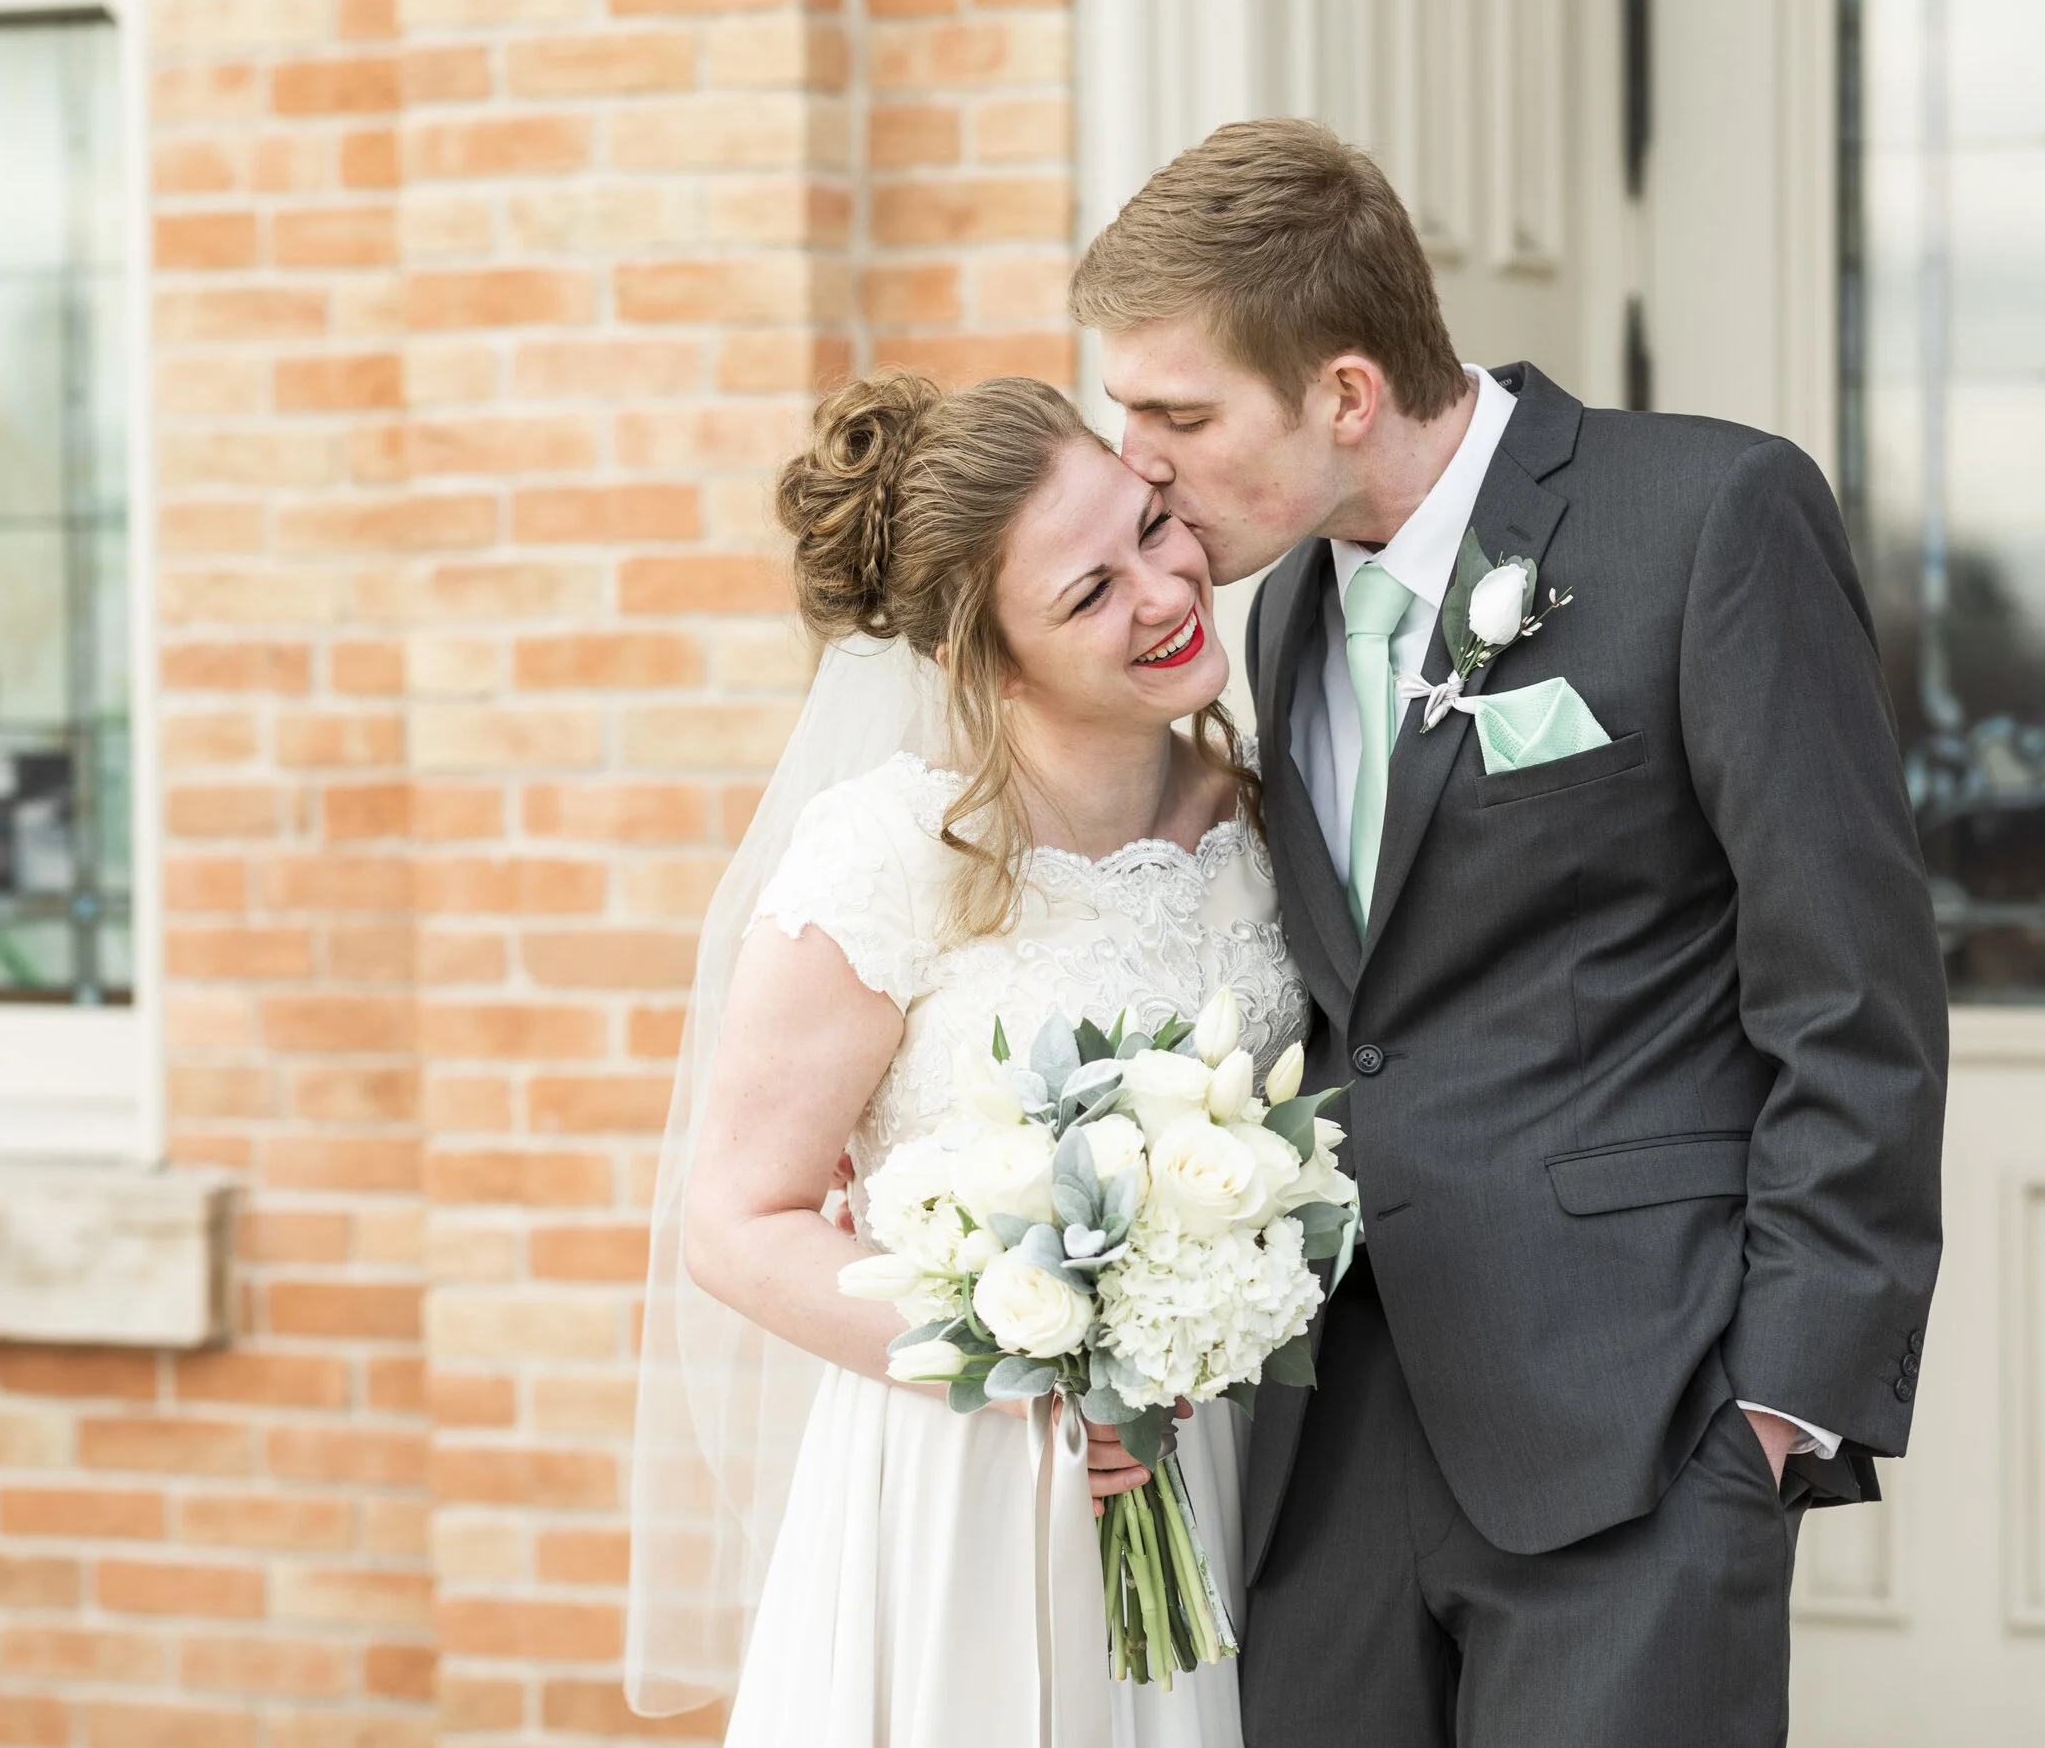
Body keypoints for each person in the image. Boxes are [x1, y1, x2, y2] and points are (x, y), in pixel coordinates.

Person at [1071, 118, 1949, 1747]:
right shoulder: (1280, 612)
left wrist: (1775, 1405)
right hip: (1326, 1454)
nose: (1140, 462)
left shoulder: (1709, 517)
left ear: (1344, 390)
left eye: (1177, 413)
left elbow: (1857, 997)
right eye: (1127, 412)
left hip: (1640, 1430)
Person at [623, 370, 1295, 1746]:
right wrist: (1044, 1357)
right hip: (964, 1497)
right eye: (1089, 592)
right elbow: (734, 1220)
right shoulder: (892, 855)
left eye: (1151, 529)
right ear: (989, 662)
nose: (1165, 592)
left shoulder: (1272, 816)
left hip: (1219, 1465)